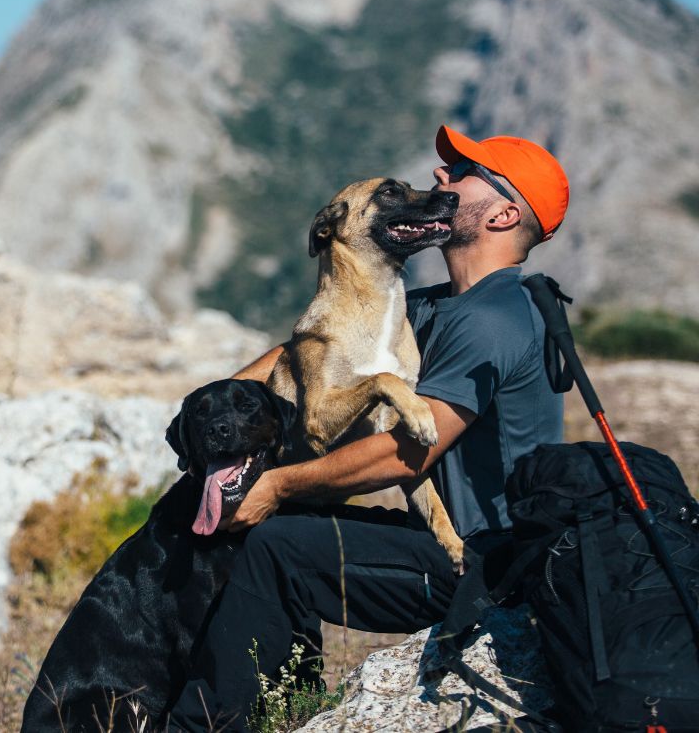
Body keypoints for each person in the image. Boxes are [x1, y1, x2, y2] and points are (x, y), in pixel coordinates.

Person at [166, 125, 572, 732]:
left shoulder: (496, 318)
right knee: (287, 533)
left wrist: (275, 485)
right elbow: (313, 349)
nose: (440, 176)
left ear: (503, 215)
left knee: (279, 548)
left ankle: (200, 725)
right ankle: (283, 708)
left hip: (484, 563)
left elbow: (402, 457)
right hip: (443, 538)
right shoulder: (436, 306)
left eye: (464, 173)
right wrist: (220, 415)